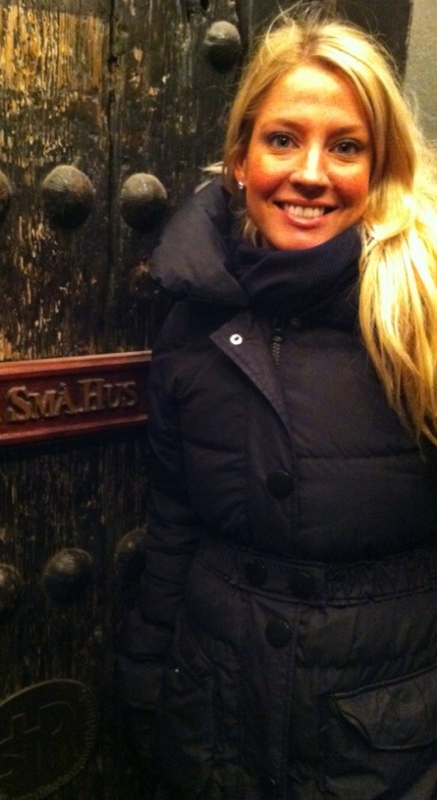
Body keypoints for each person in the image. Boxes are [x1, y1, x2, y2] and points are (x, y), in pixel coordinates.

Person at [118, 6, 437, 800]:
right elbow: (174, 518)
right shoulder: (192, 314)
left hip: (386, 735)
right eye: (284, 139)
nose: (311, 173)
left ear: (380, 166)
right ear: (240, 158)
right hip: (214, 713)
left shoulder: (423, 314)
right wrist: (147, 683)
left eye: (347, 146)